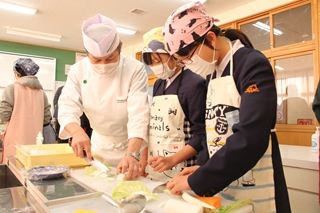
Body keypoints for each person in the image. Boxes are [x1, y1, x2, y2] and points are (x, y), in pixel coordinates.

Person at [163, 2, 291, 213]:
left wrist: (201, 179)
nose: (189, 65)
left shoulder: (251, 64)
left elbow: (251, 136)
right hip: (224, 179)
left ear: (211, 38)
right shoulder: (213, 73)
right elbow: (211, 132)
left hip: (255, 178)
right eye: (182, 61)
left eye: (189, 57)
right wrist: (203, 167)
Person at [57, 14, 150, 180]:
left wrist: (133, 154)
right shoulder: (78, 71)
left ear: (120, 47)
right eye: (96, 60)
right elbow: (67, 106)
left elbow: (139, 114)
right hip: (98, 147)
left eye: (110, 58)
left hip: (130, 145)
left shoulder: (134, 69)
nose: (103, 65)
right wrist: (77, 132)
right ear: (87, 54)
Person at [142, 27, 207, 182]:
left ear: (173, 54)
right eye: (151, 63)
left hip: (182, 166)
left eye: (158, 60)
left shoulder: (194, 83)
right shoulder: (159, 83)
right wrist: (143, 160)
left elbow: (201, 135)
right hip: (157, 164)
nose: (155, 66)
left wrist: (173, 160)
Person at [0, 58, 54, 163]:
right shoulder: (41, 92)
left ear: (17, 74)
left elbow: (4, 115)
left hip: (15, 140)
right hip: (36, 140)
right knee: (32, 169)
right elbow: (46, 118)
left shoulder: (11, 88)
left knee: (14, 169)